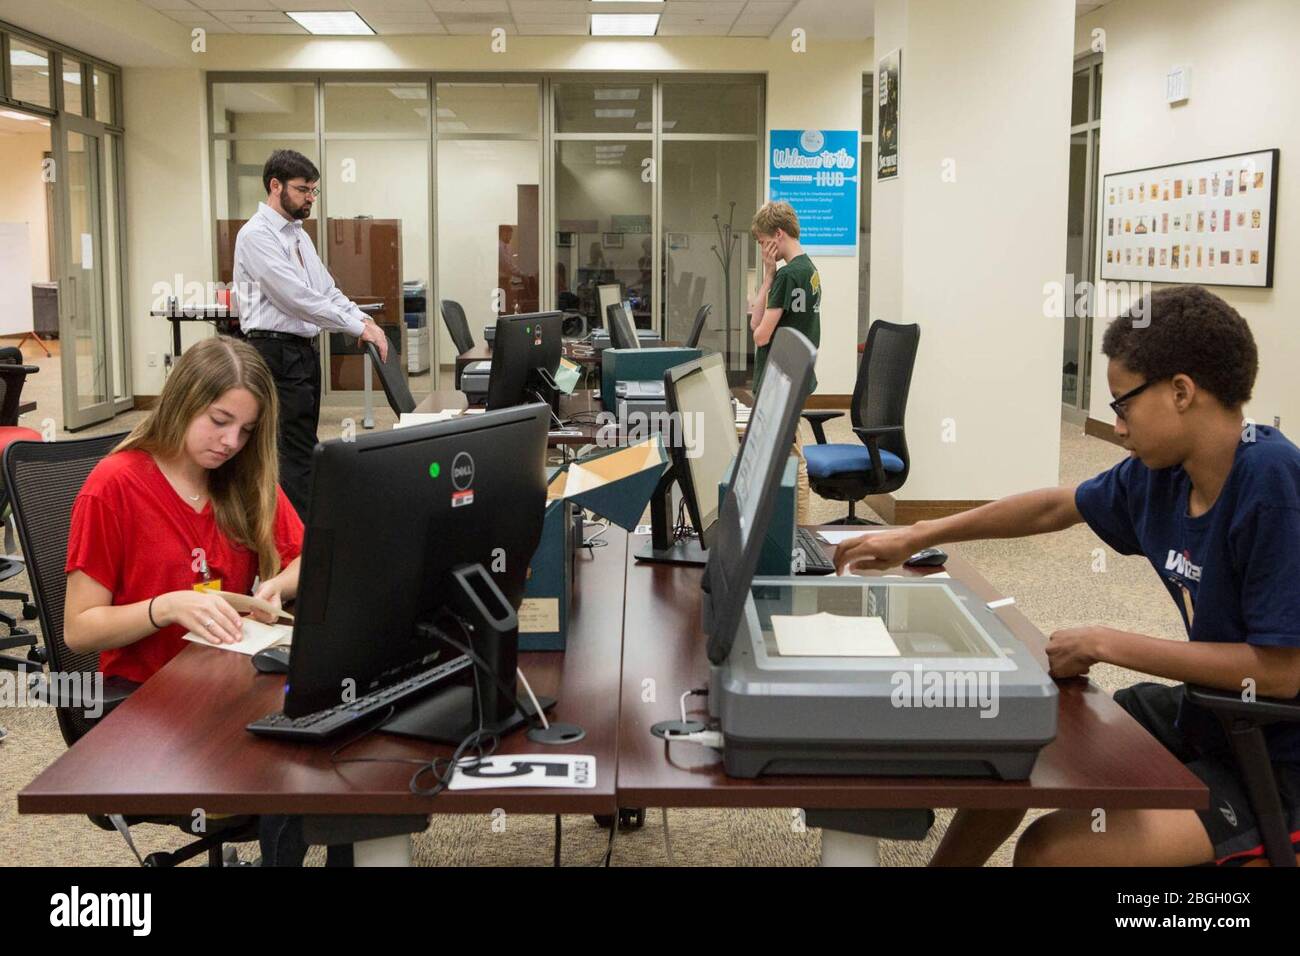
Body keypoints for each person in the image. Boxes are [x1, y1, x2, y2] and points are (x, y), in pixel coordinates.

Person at [833, 285, 1300, 867]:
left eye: (1123, 405)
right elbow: (1055, 506)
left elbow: (1282, 672)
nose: (1118, 426)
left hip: (1278, 766)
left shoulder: (1272, 483)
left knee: (1051, 852)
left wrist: (1109, 642)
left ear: (1181, 392)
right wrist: (915, 536)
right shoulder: (1162, 474)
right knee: (1022, 728)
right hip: (1212, 714)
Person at [62, 335, 348, 866]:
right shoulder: (115, 487)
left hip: (228, 678)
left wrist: (274, 587)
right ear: (182, 400)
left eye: (245, 430)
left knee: (343, 724)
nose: (230, 442)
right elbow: (78, 628)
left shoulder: (239, 477)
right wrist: (164, 607)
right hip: (145, 699)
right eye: (219, 421)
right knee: (287, 754)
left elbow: (310, 558)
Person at [233, 148, 389, 517]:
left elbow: (325, 289)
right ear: (276, 186)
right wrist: (354, 326)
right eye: (304, 190)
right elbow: (296, 298)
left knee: (302, 443)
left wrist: (362, 321)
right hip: (272, 353)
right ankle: (301, 543)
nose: (310, 199)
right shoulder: (257, 235)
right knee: (289, 450)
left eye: (314, 191)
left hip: (301, 351)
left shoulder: (299, 235)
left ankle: (304, 530)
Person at [749, 200, 821, 522]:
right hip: (796, 378)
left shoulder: (788, 276)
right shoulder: (809, 270)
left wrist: (770, 278)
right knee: (788, 458)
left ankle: (803, 532)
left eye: (765, 243)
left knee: (793, 462)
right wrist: (768, 274)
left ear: (778, 235)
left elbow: (759, 334)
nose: (765, 250)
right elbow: (758, 324)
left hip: (783, 380)